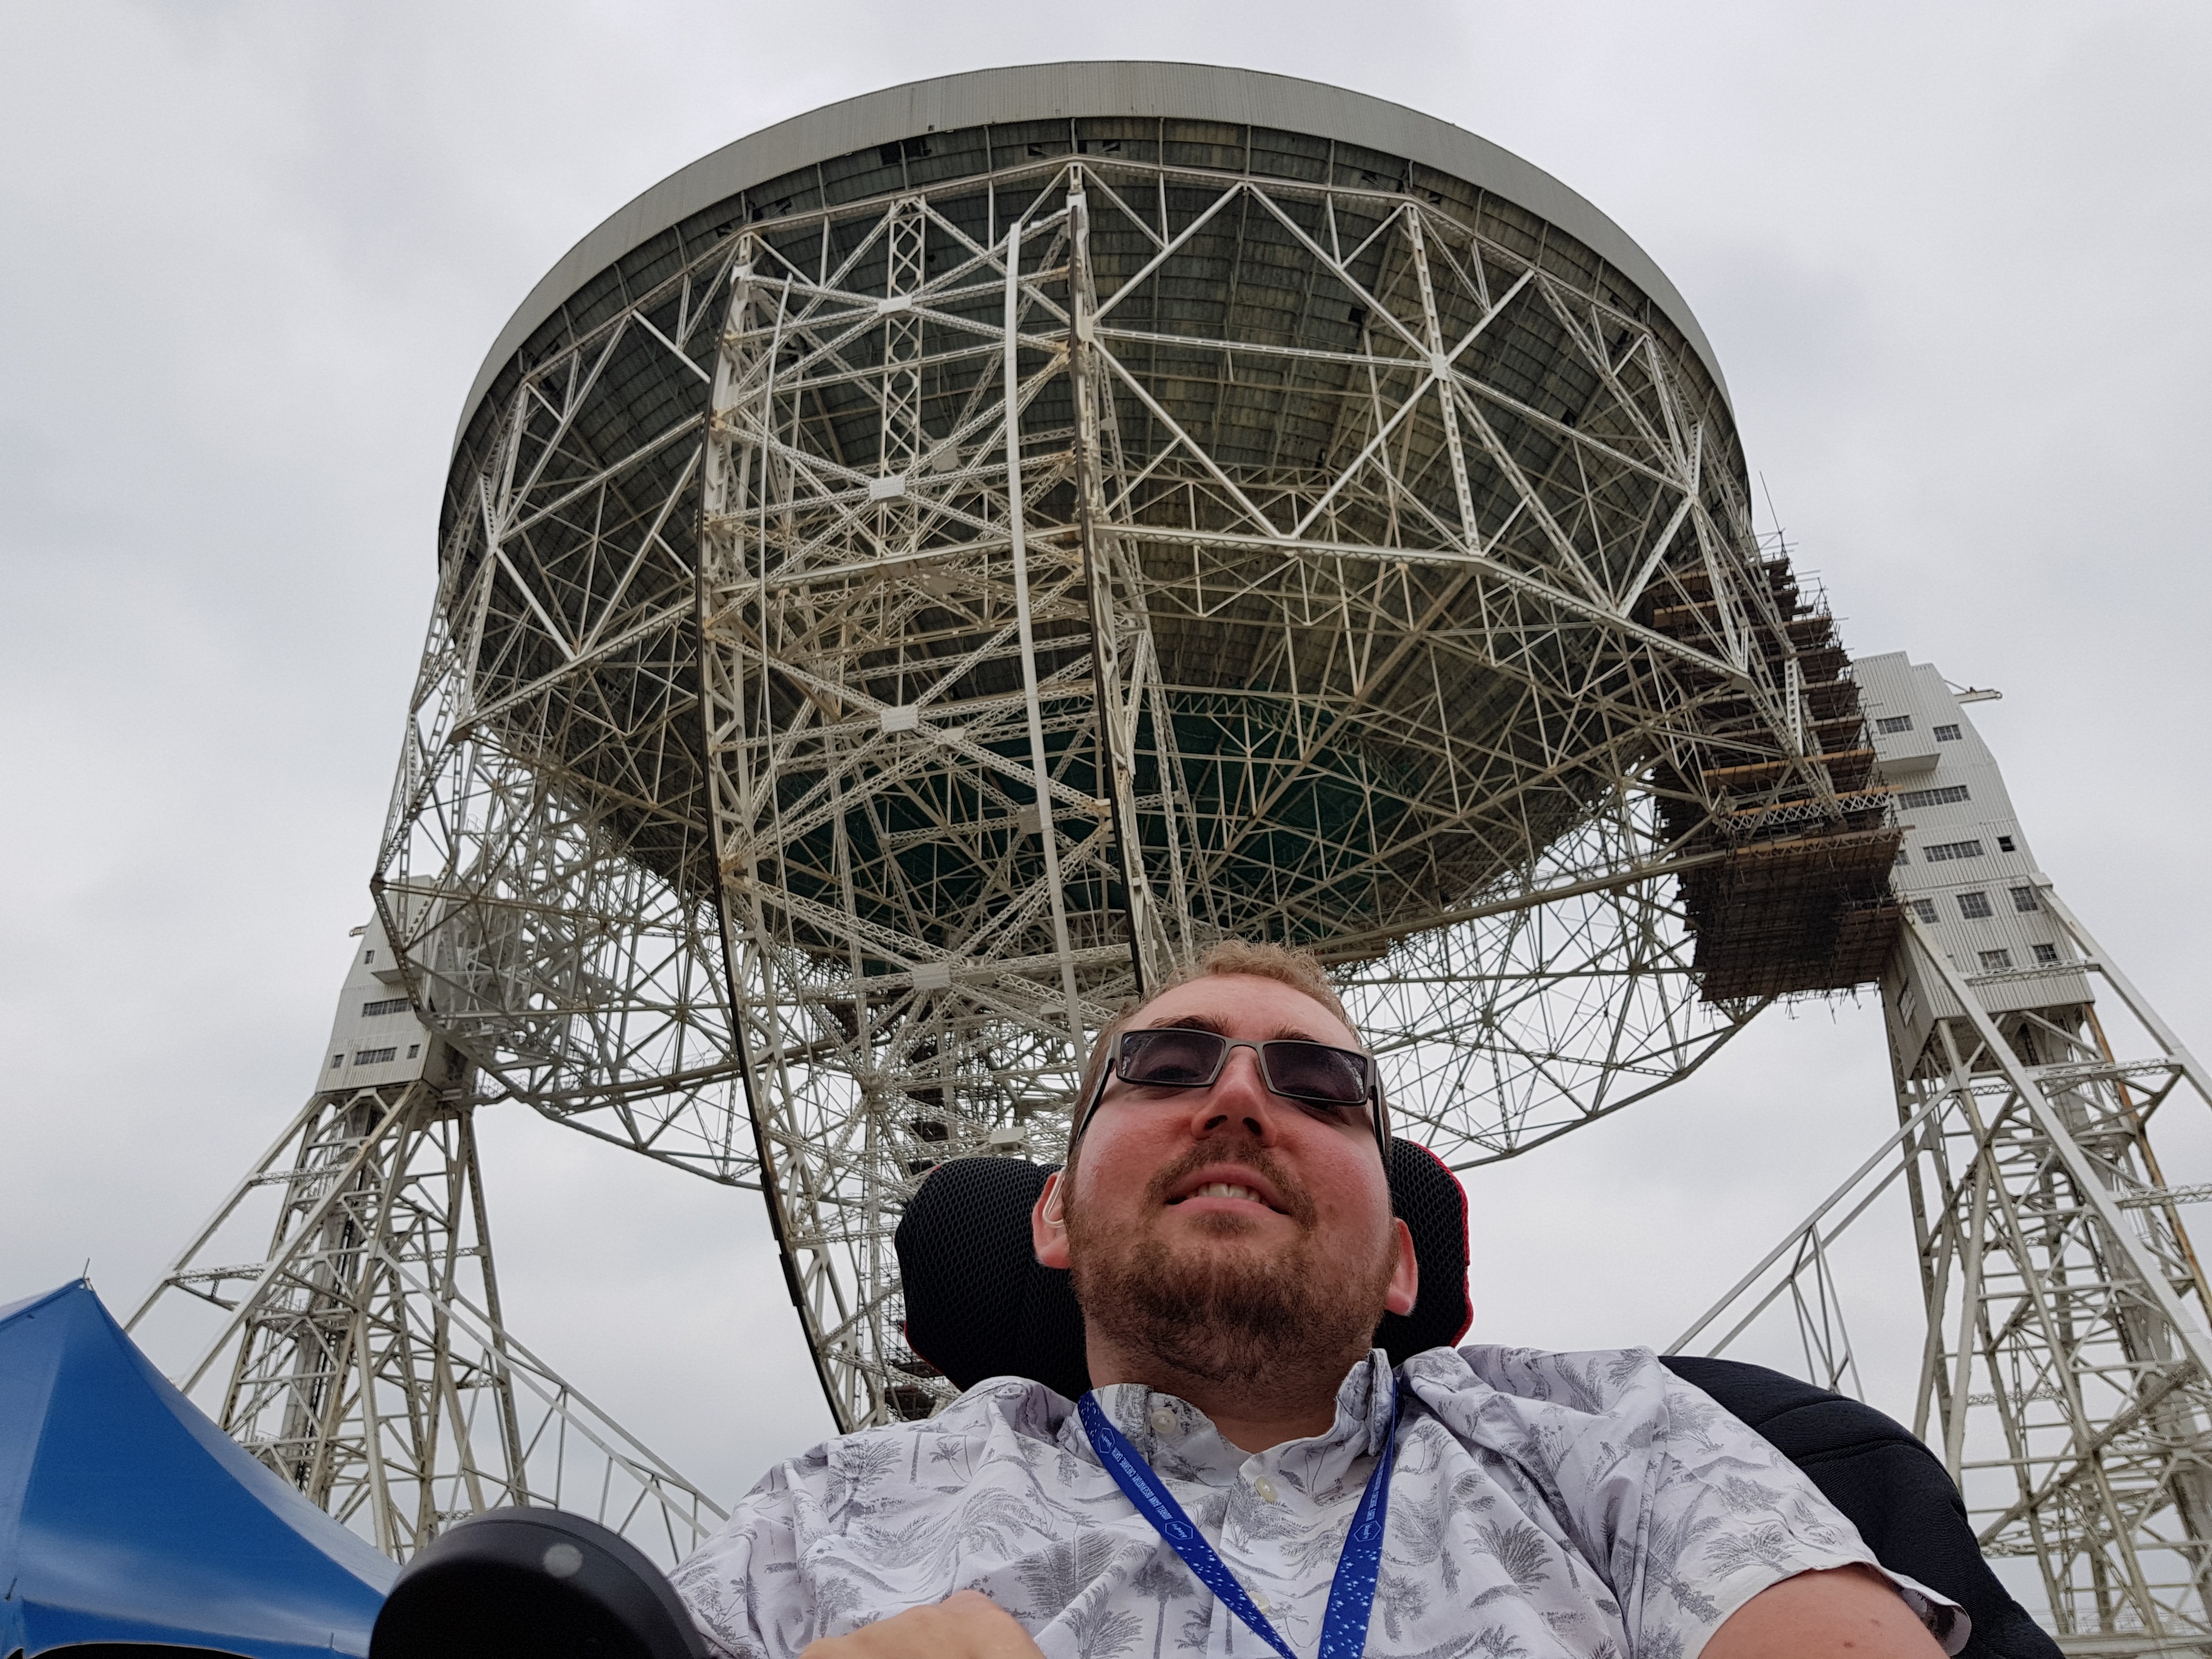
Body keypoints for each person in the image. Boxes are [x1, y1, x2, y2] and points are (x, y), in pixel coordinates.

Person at [673, 941, 1966, 1659]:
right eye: (1162, 1066)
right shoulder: (825, 1516)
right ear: (1053, 1216)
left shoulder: (1617, 1436)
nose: (1237, 1100)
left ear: (1404, 1262)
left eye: (1321, 1086)